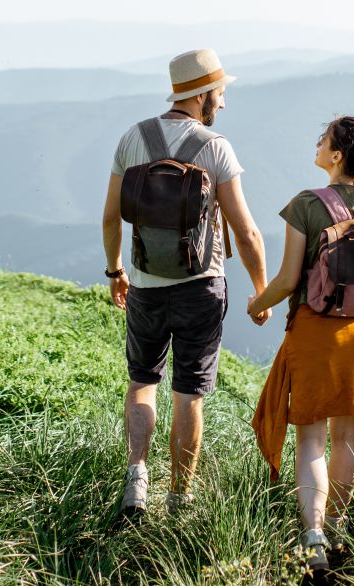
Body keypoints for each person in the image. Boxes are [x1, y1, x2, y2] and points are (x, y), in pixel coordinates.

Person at [101, 48, 268, 521]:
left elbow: (111, 217)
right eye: (221, 92)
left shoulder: (133, 138)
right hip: (201, 284)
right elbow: (245, 229)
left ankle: (136, 478)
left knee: (141, 383)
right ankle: (180, 498)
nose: (224, 102)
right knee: (189, 393)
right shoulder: (214, 146)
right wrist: (261, 290)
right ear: (203, 94)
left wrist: (116, 271)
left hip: (146, 285)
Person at [244, 115, 354, 571]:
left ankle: (312, 536)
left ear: (336, 155)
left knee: (311, 441)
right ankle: (335, 525)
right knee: (345, 437)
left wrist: (257, 303)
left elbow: (288, 279)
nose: (316, 144)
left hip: (316, 332)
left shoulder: (305, 205)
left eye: (323, 139)